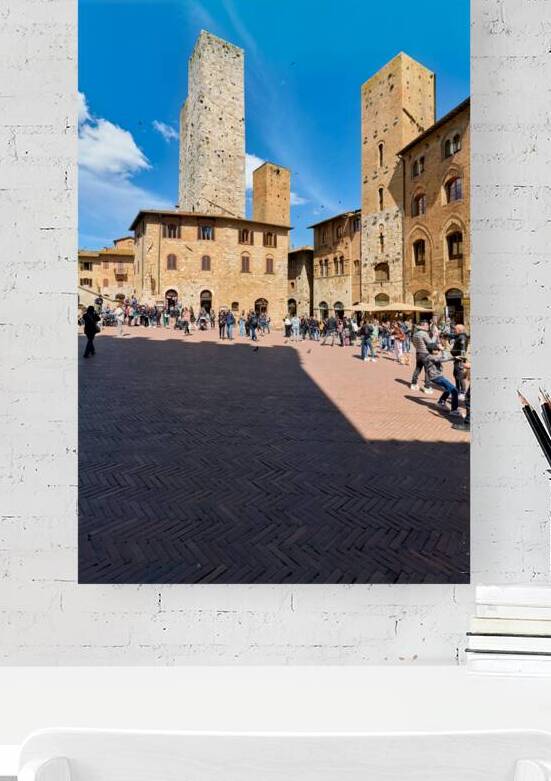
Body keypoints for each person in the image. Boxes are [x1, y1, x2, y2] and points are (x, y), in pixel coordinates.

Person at [423, 344, 462, 417]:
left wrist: (454, 358)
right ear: (432, 351)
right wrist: (443, 350)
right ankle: (454, 410)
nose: (438, 351)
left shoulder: (432, 356)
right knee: (454, 390)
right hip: (436, 377)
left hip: (438, 376)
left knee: (448, 388)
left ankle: (441, 402)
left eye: (438, 349)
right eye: (437, 349)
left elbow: (442, 358)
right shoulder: (431, 357)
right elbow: (442, 359)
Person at [410, 321, 434, 394]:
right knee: (428, 370)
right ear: (422, 326)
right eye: (426, 325)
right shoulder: (424, 333)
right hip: (425, 353)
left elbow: (414, 343)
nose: (428, 327)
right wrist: (435, 337)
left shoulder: (415, 334)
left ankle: (413, 383)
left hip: (418, 353)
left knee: (418, 368)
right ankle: (427, 387)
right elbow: (431, 343)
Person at [450, 324, 470, 399]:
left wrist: (461, 359)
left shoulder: (462, 337)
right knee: (456, 374)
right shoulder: (459, 336)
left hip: (459, 359)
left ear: (459, 330)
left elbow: (463, 350)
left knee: (460, 376)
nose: (454, 330)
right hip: (457, 358)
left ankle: (463, 392)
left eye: (455, 329)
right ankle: (457, 390)